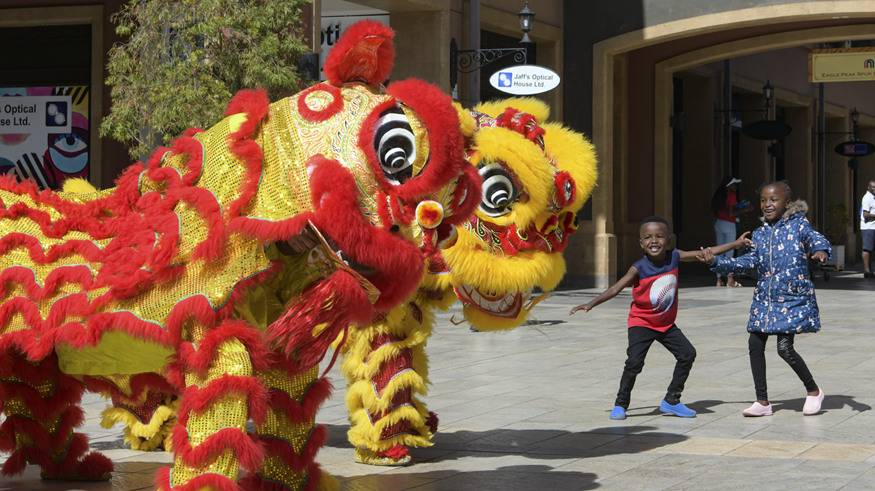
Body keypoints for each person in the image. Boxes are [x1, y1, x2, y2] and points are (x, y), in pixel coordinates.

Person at [570, 216, 750, 420]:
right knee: (634, 363)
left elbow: (702, 253)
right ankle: (621, 404)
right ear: (641, 243)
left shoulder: (674, 256)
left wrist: (736, 244)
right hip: (642, 322)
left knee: (687, 354)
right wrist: (590, 303)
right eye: (647, 237)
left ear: (669, 240)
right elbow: (615, 288)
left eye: (659, 236)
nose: (653, 241)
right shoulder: (638, 267)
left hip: (665, 324)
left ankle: (671, 400)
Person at [701, 181, 830, 417]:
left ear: (787, 203)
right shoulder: (760, 234)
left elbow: (816, 238)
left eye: (773, 200)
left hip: (791, 296)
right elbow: (749, 262)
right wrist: (716, 262)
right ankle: (762, 401)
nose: (767, 204)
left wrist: (820, 251)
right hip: (765, 298)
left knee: (785, 349)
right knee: (755, 344)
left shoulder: (799, 225)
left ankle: (813, 391)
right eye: (763, 200)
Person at [711, 177, 752, 287]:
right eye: (734, 184)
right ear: (729, 186)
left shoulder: (719, 196)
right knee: (729, 252)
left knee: (718, 251)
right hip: (729, 224)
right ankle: (730, 279)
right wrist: (745, 210)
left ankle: (719, 279)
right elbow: (732, 213)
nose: (735, 187)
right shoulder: (731, 195)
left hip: (719, 223)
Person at [861, 180, 875, 279]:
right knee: (867, 249)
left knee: (871, 250)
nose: (874, 189)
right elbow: (865, 214)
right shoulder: (867, 198)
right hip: (868, 227)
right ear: (868, 187)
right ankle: (866, 271)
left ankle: (870, 270)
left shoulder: (873, 197)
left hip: (873, 227)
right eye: (873, 187)